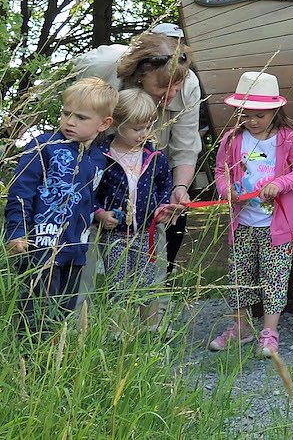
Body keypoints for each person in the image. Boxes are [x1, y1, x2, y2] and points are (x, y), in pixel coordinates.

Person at [74, 28, 201, 296]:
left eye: (176, 86)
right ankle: (81, 310)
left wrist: (179, 188)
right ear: (141, 75)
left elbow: (185, 147)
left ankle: (152, 311)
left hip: (144, 177)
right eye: (163, 87)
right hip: (102, 168)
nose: (171, 93)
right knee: (88, 254)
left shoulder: (188, 85)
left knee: (152, 264)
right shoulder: (103, 69)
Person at [208, 72, 293, 358]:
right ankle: (241, 327)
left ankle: (269, 331)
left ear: (275, 111)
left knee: (274, 278)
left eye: (259, 115)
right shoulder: (232, 139)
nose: (252, 121)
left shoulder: (289, 138)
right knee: (239, 275)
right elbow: (220, 171)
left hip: (277, 226)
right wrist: (226, 189)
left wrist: (280, 184)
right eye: (246, 115)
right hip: (242, 223)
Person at [5, 78, 116, 332]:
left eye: (81, 117)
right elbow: (21, 190)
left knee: (61, 313)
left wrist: (100, 214)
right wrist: (17, 231)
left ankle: (53, 353)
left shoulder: (99, 159)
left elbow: (88, 198)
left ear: (104, 123)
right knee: (34, 315)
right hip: (39, 246)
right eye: (66, 113)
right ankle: (31, 354)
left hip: (75, 248)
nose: (69, 122)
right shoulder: (45, 146)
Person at [93, 89, 174, 325]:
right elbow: (90, 193)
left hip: (146, 233)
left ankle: (150, 330)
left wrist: (163, 207)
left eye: (148, 127)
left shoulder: (155, 156)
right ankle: (119, 333)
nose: (144, 134)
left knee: (147, 284)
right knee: (118, 285)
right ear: (115, 124)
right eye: (137, 129)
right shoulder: (101, 156)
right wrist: (100, 214)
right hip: (114, 236)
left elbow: (164, 186)